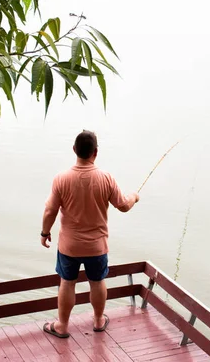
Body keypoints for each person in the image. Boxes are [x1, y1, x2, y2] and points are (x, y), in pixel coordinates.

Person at [40, 130, 140, 338]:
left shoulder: (62, 179)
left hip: (69, 246)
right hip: (97, 246)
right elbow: (123, 205)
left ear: (74, 150)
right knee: (97, 282)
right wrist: (134, 197)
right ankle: (97, 320)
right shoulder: (106, 178)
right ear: (96, 152)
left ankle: (62, 326)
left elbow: (50, 210)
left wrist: (45, 232)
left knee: (67, 283)